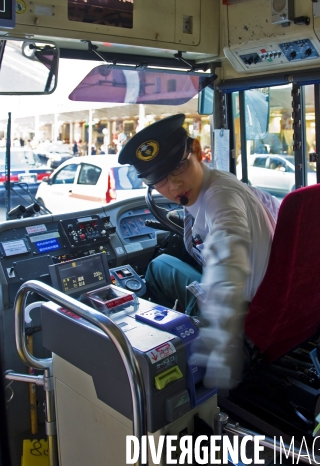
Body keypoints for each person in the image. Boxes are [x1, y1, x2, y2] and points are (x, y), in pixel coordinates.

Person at [118, 114, 279, 390]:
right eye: (160, 180)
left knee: (158, 267)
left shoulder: (220, 197)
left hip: (241, 317)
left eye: (179, 167)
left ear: (195, 151)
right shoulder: (222, 183)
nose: (174, 186)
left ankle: (167, 348)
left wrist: (217, 346)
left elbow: (229, 257)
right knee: (164, 263)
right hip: (265, 297)